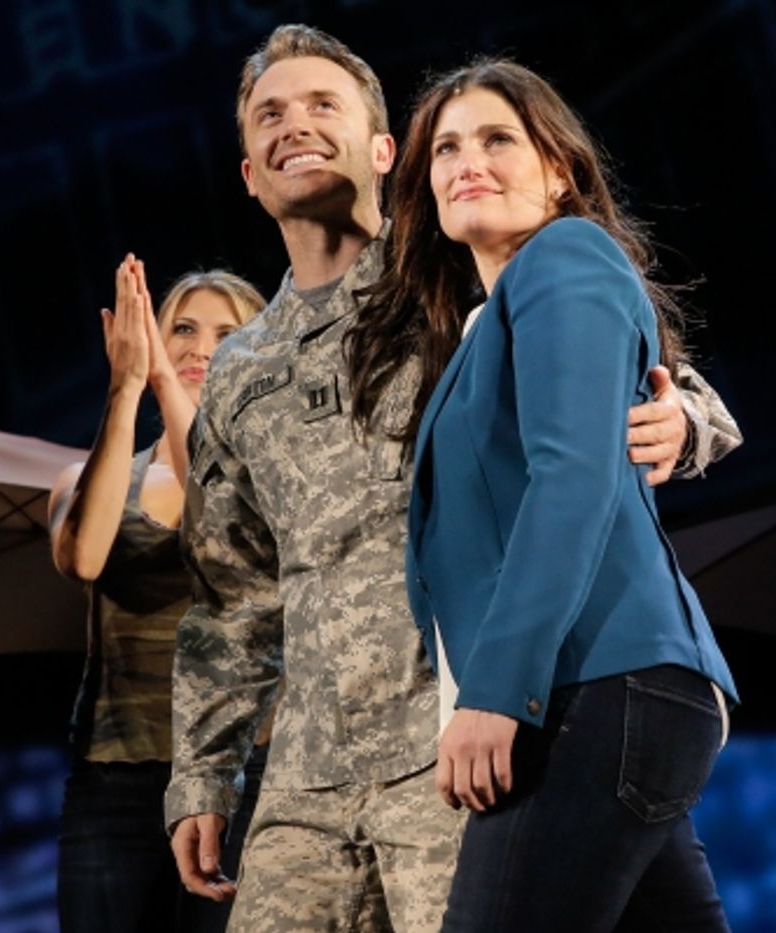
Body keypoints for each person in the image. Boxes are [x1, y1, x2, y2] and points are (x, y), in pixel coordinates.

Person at [165, 25, 740, 933]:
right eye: (268, 114)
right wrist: (202, 767)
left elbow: (631, 388)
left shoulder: (456, 273)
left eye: (324, 105)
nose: (293, 126)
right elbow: (231, 589)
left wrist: (686, 419)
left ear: (386, 151)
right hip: (308, 775)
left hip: (466, 731)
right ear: (246, 170)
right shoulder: (239, 367)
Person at [362, 59, 739, 931]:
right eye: (446, 147)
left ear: (560, 170)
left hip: (590, 688)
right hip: (613, 696)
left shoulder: (565, 256)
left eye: (498, 139)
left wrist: (495, 692)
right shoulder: (481, 323)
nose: (467, 161)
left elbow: (571, 477)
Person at [47, 256, 268, 933]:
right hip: (115, 778)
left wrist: (167, 384)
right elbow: (84, 555)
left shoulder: (276, 474)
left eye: (228, 334)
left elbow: (216, 531)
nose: (202, 348)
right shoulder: (85, 476)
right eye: (182, 329)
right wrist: (125, 389)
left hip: (239, 772)